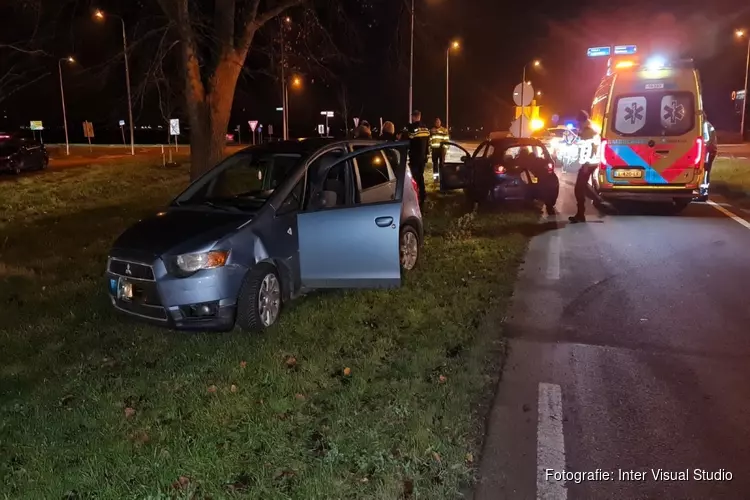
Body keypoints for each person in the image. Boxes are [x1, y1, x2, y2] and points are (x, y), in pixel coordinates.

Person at [569, 110, 605, 223]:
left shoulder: (588, 130)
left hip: (588, 163)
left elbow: (588, 149)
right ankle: (599, 202)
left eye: (578, 121)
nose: (577, 124)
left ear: (581, 120)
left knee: (578, 188)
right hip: (592, 162)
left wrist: (585, 164)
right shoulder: (589, 128)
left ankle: (582, 213)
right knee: (583, 186)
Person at [403, 110, 431, 208]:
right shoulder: (426, 128)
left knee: (414, 178)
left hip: (415, 157)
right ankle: (423, 195)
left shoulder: (413, 128)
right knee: (421, 176)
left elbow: (409, 138)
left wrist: (408, 128)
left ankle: (415, 198)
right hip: (422, 158)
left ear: (414, 117)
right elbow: (428, 143)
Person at [698, 116, 718, 201]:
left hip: (708, 151)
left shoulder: (705, 125)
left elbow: (707, 140)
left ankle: (704, 193)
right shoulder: (707, 124)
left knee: (705, 171)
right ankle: (703, 192)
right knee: (706, 171)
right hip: (710, 150)